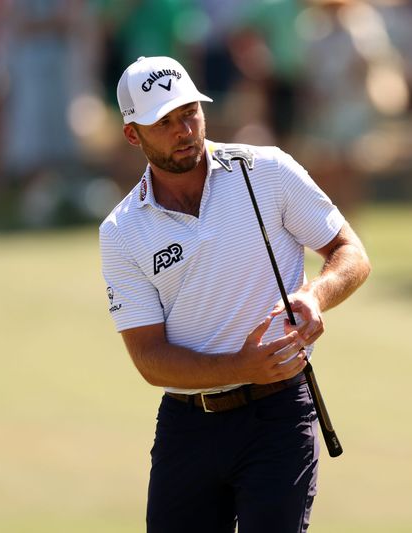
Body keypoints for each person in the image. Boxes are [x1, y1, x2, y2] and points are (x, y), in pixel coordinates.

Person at [98, 56, 371, 532]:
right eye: (164, 122)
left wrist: (316, 294)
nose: (184, 130)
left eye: (189, 113)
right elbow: (148, 357)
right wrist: (239, 367)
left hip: (279, 413)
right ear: (133, 135)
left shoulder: (267, 170)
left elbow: (349, 251)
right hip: (188, 427)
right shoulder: (123, 231)